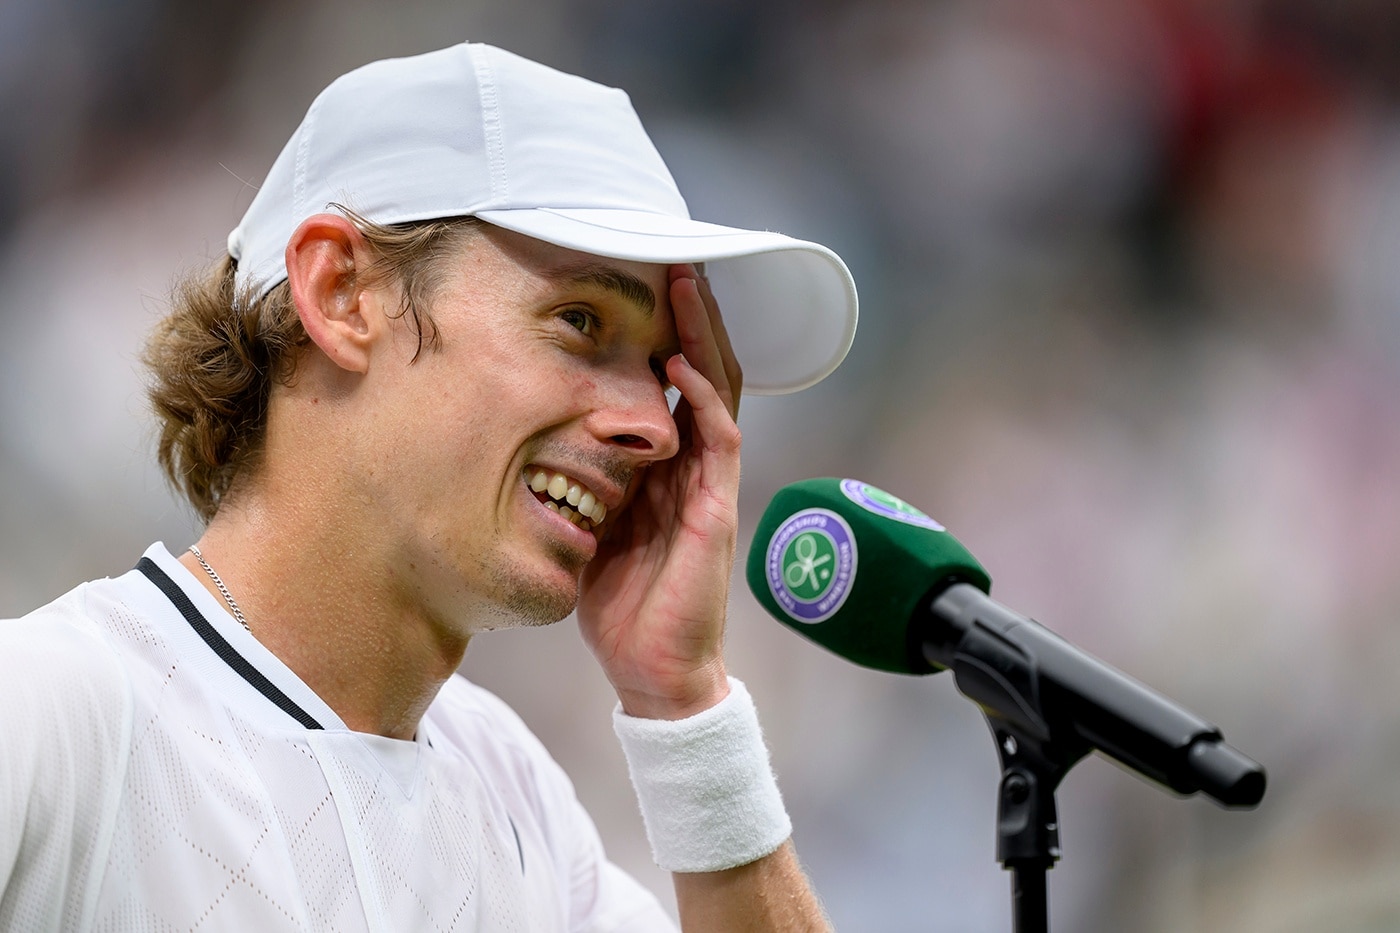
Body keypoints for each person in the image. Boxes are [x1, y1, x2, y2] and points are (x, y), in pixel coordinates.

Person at [0, 42, 857, 931]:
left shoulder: (525, 807)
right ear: (340, 292)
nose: (659, 426)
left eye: (659, 367)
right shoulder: (48, 714)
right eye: (579, 320)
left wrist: (686, 707)